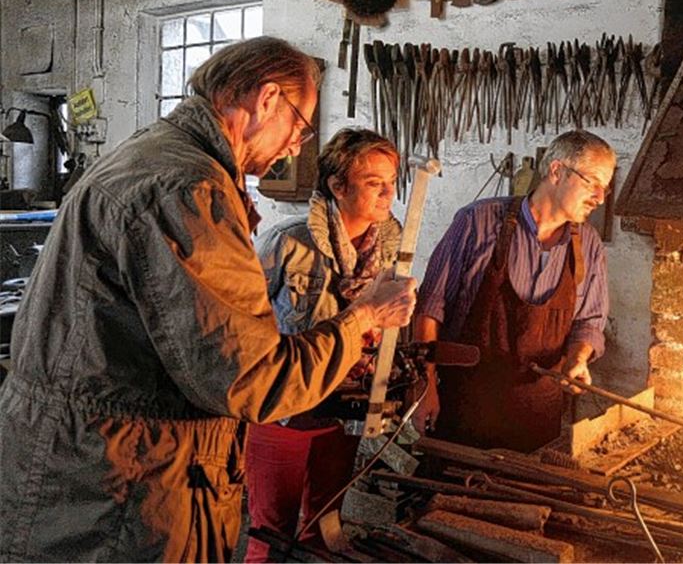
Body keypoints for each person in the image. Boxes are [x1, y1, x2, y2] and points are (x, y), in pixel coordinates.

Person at [0, 37, 416, 562]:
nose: (295, 147)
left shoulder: (153, 155)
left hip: (93, 471)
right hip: (118, 493)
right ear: (267, 99)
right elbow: (253, 379)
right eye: (300, 127)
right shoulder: (188, 188)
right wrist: (365, 315)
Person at [244, 128, 402, 562]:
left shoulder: (388, 252)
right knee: (270, 535)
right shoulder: (288, 242)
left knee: (323, 529)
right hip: (283, 410)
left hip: (343, 411)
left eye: (391, 181)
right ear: (338, 186)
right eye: (374, 182)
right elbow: (243, 322)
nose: (388, 192)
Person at [413, 130, 616, 452]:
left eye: (606, 187)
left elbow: (589, 322)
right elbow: (429, 308)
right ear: (557, 171)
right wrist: (425, 389)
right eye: (592, 182)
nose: (600, 197)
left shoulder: (588, 244)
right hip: (466, 407)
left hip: (537, 417)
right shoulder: (477, 221)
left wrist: (578, 359)